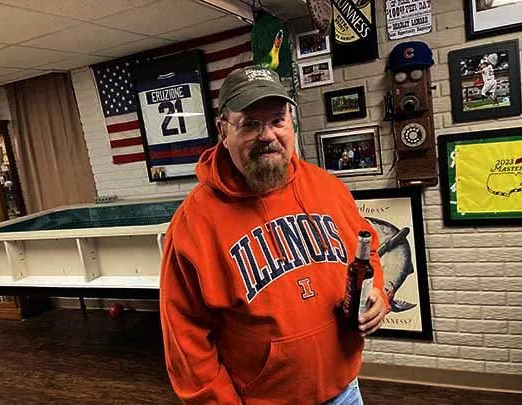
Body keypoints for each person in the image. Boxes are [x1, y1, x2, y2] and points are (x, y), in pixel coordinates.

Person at [160, 66, 389, 404]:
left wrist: (376, 294)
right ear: (223, 130)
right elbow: (185, 339)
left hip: (344, 391)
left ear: (291, 123)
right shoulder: (193, 223)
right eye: (250, 124)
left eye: (277, 120)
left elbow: (366, 253)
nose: (267, 135)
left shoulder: (327, 188)